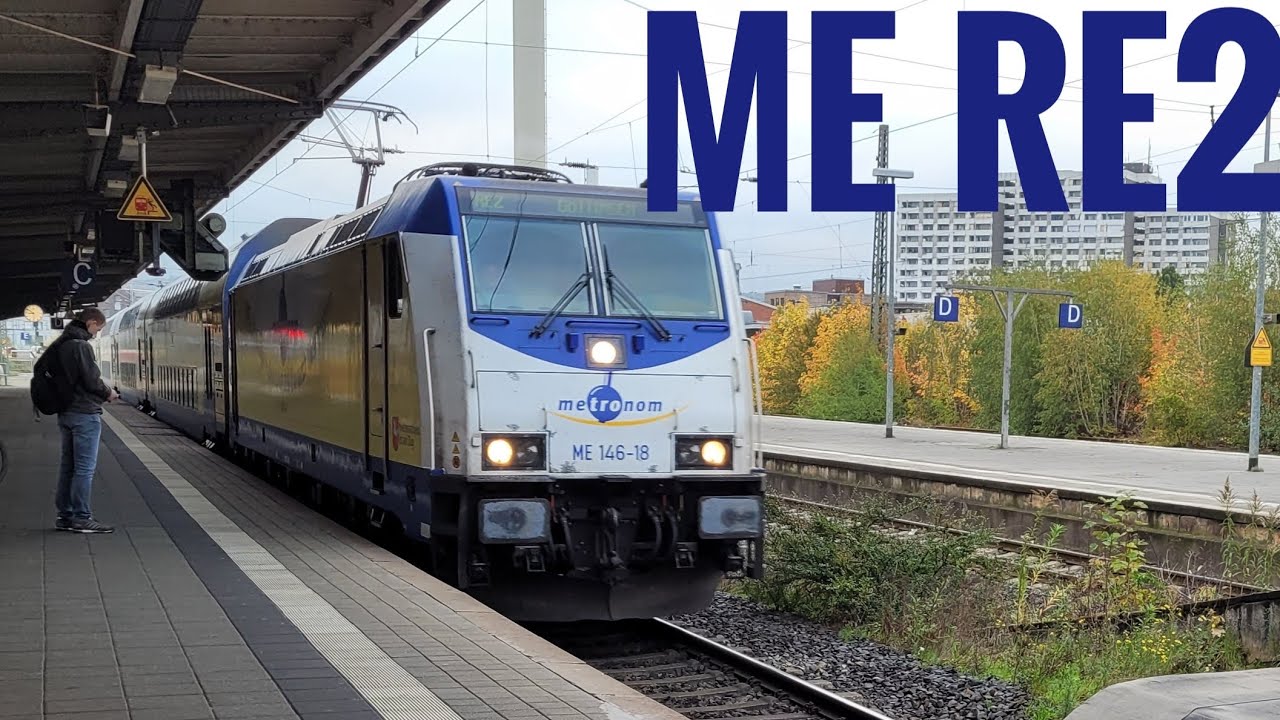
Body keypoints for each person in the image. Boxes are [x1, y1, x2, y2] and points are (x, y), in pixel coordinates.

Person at [50, 308, 118, 533]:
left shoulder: (63, 344)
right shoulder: (81, 346)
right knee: (84, 469)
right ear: (90, 322)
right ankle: (82, 517)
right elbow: (91, 381)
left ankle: (65, 516)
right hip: (84, 414)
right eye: (98, 328)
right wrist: (108, 393)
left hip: (66, 413)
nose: (97, 333)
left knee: (67, 467)